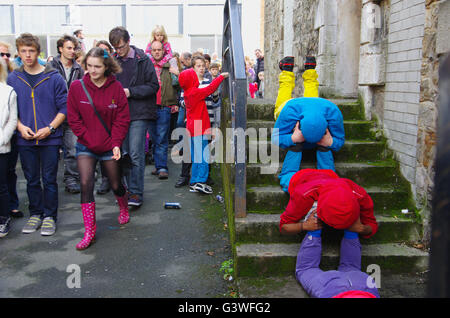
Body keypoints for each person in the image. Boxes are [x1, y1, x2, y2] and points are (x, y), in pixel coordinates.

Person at [67, 47, 130, 250]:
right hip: (86, 145)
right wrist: (87, 138)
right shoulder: (77, 87)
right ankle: (89, 231)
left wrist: (116, 143)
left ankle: (123, 206)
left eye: (97, 67)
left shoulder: (116, 88)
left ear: (106, 67)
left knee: (114, 183)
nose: (92, 70)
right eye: (89, 66)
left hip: (109, 145)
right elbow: (73, 118)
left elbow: (122, 118)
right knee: (86, 183)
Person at [7, 33, 67, 236]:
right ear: (18, 53)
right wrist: (20, 127)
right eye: (23, 51)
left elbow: (65, 107)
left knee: (49, 178)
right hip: (25, 139)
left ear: (38, 52)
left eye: (31, 51)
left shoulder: (53, 77)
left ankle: (50, 216)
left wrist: (50, 128)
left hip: (50, 138)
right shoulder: (14, 78)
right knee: (31, 179)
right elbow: (8, 109)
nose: (27, 55)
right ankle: (35, 213)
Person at [272, 57, 345, 193]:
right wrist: (293, 139)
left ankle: (307, 70)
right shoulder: (288, 111)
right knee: (282, 98)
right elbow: (275, 137)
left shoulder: (333, 113)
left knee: (312, 98)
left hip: (316, 107)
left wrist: (330, 142)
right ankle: (287, 72)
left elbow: (340, 141)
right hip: (291, 108)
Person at [109, 27, 159, 208]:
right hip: (118, 115)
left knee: (137, 153)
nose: (119, 51)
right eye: (115, 48)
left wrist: (131, 92)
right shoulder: (112, 61)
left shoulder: (142, 60)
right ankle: (127, 190)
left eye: (121, 47)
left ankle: (136, 193)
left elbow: (154, 86)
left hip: (138, 112)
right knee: (123, 155)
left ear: (128, 41)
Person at [294, 215, 380, 298]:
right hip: (334, 289)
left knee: (351, 267)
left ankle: (351, 227)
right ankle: (316, 226)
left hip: (365, 286)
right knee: (306, 269)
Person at [178, 61, 228, 194]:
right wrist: (221, 77)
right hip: (199, 127)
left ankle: (194, 181)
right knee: (204, 155)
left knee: (196, 156)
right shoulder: (195, 92)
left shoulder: (188, 93)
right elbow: (210, 88)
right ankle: (201, 181)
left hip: (192, 128)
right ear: (192, 80)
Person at [50, 34, 84, 194]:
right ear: (60, 49)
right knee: (51, 152)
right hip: (53, 115)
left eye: (74, 48)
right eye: (69, 48)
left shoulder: (79, 69)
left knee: (72, 149)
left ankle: (71, 179)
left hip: (72, 115)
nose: (72, 51)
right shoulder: (51, 67)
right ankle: (50, 181)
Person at [148, 41, 179, 180]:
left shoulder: (169, 65)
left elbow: (178, 84)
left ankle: (162, 167)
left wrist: (177, 73)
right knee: (154, 138)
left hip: (164, 106)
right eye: (154, 50)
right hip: (149, 107)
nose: (156, 52)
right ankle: (158, 164)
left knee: (161, 138)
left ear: (163, 51)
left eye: (159, 49)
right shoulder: (147, 65)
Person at [0, 41, 22, 219]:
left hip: (12, 131)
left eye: (7, 54)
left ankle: (12, 205)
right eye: (2, 55)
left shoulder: (14, 76)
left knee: (9, 171)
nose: (5, 58)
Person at [0, 59, 18, 237]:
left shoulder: (7, 92)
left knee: (2, 184)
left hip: (2, 146)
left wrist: (3, 139)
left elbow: (13, 119)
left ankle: (3, 218)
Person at [94, 40, 115, 195]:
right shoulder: (90, 73)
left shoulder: (114, 74)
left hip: (113, 118)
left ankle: (116, 181)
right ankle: (105, 179)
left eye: (105, 51)